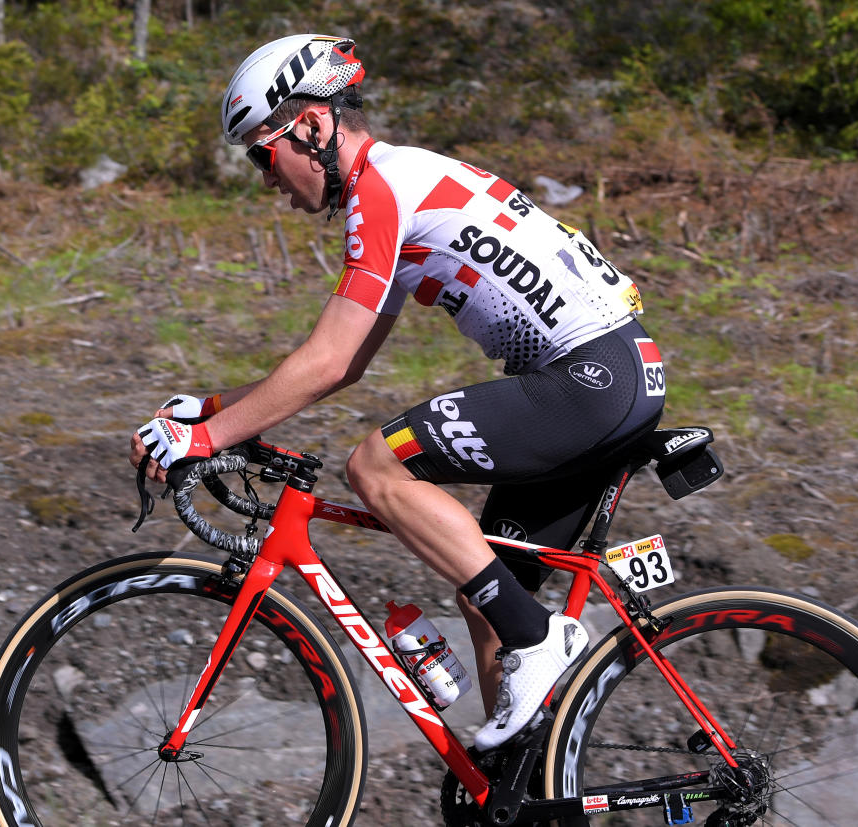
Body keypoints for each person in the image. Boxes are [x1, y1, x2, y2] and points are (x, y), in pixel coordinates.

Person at [128, 33, 664, 752]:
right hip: (614, 373)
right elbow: (342, 363)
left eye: (263, 154)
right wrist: (215, 410)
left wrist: (202, 441)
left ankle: (540, 641)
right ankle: (530, 780)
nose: (267, 181)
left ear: (313, 126)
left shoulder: (382, 191)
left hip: (589, 380)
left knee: (375, 467)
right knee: (488, 592)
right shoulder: (397, 183)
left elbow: (328, 358)